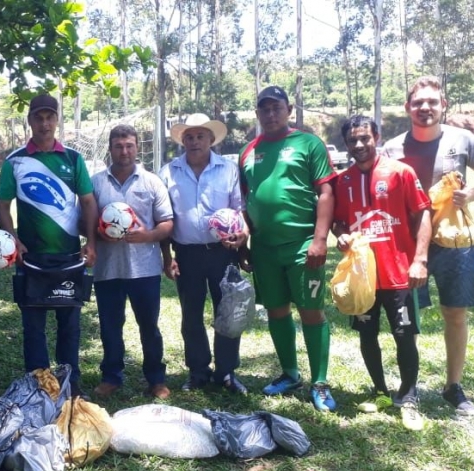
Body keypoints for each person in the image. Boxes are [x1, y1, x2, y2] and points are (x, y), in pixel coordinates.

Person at [237, 86, 337, 411]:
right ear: (257, 113)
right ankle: (290, 374)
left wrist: (320, 239)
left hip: (302, 245)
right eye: (264, 108)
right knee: (276, 310)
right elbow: (246, 200)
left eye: (276, 107)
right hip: (265, 248)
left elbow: (326, 192)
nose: (270, 113)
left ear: (289, 109)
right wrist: (246, 243)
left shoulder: (308, 143)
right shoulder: (248, 151)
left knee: (311, 311)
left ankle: (319, 382)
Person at [0, 94, 98, 398]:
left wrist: (91, 242)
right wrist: (13, 238)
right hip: (32, 258)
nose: (44, 123)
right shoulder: (15, 160)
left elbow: (88, 202)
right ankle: (38, 386)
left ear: (56, 120)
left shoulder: (73, 159)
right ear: (29, 121)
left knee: (70, 326)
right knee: (33, 328)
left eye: (49, 117)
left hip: (70, 257)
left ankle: (70, 384)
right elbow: (2, 205)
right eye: (38, 117)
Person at [383, 76, 474, 417]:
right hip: (407, 245)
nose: (425, 108)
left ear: (443, 105)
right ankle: (410, 385)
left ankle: (453, 386)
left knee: (455, 312)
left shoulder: (463, 139)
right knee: (409, 319)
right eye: (418, 103)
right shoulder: (392, 149)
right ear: (408, 108)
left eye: (432, 102)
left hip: (455, 240)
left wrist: (470, 193)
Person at [333, 115, 431, 430]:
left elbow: (423, 213)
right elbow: (339, 223)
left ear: (377, 136)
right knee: (367, 333)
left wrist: (420, 259)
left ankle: (409, 395)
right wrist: (342, 236)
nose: (359, 145)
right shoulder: (343, 180)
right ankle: (379, 391)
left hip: (399, 272)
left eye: (365, 138)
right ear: (346, 143)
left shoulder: (401, 172)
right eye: (353, 140)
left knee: (404, 335)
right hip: (363, 277)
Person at [159, 113, 249, 395]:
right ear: (182, 140)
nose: (195, 141)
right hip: (186, 254)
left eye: (200, 136)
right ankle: (198, 371)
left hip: (223, 253)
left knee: (228, 312)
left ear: (211, 139)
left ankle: (226, 371)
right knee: (191, 315)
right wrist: (166, 256)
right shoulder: (169, 172)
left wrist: (243, 237)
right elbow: (161, 217)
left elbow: (240, 210)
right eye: (189, 137)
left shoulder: (228, 169)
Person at [90, 125, 174, 399]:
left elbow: (167, 223)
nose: (124, 151)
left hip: (144, 269)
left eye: (129, 145)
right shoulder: (96, 183)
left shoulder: (151, 181)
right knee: (110, 326)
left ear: (137, 147)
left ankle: (156, 379)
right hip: (108, 269)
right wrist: (99, 233)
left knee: (149, 326)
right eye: (118, 146)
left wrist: (148, 236)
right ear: (110, 149)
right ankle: (112, 376)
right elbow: (84, 223)